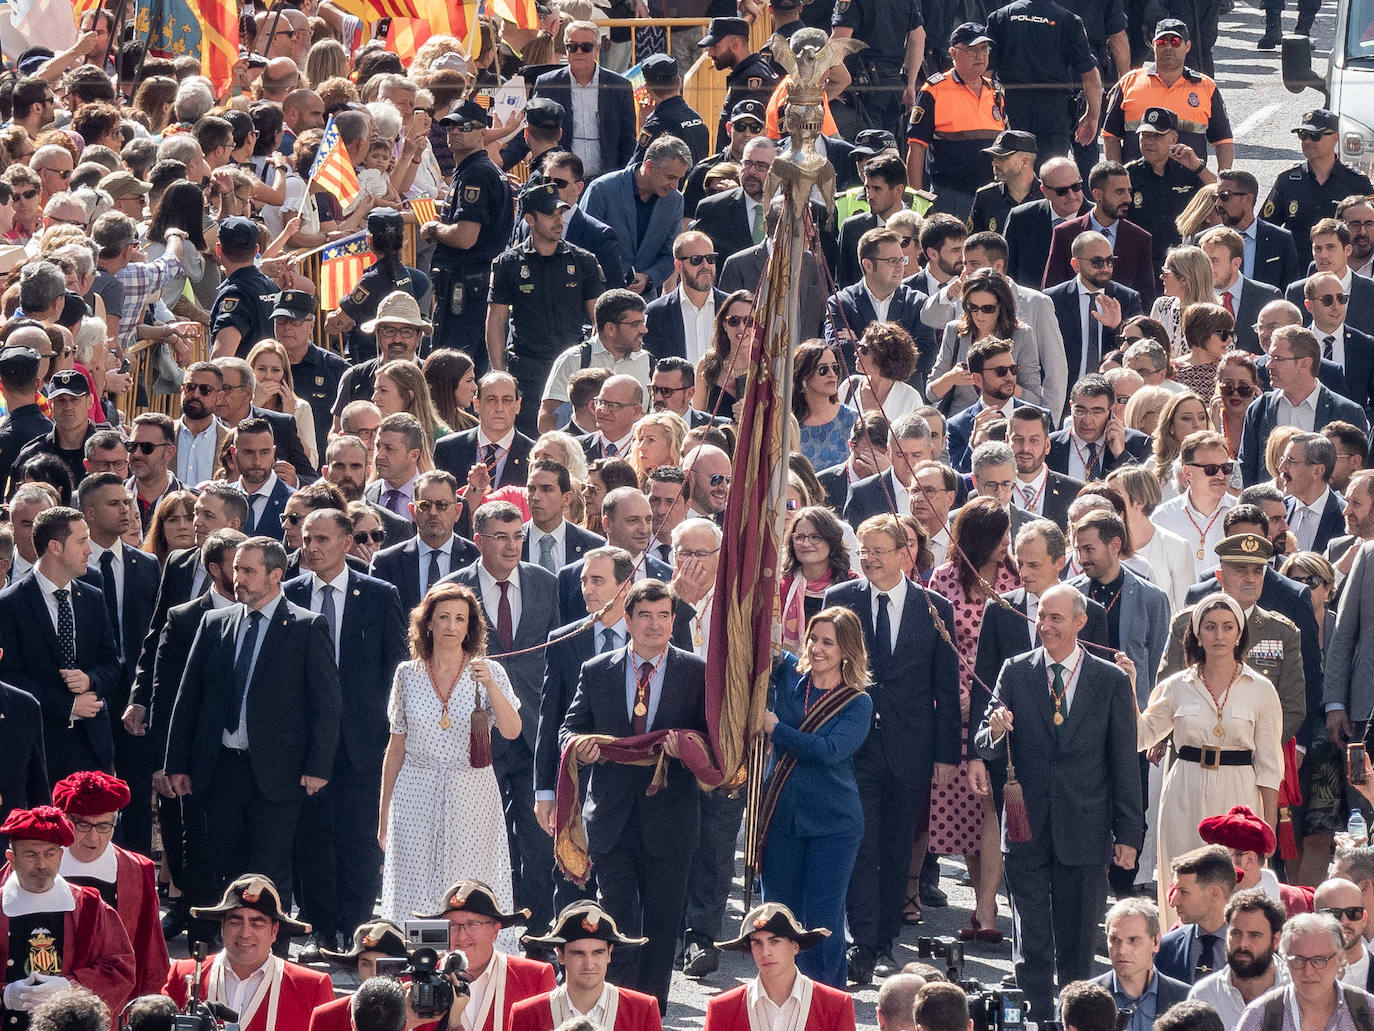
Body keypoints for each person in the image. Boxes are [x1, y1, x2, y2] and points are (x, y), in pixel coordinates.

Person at [973, 583, 1144, 1020]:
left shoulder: (1109, 680)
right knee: (1031, 938)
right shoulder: (1015, 671)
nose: (1045, 626)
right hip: (1025, 826)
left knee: (1077, 941)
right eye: (1042, 617)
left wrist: (1128, 835)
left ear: (1080, 623)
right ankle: (1035, 1018)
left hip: (1085, 830)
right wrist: (995, 728)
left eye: (1056, 618)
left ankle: (1075, 1019)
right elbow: (984, 741)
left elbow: (1124, 762)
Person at [164, 536, 341, 908]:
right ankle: (222, 951)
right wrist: (177, 763)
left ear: (275, 575)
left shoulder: (308, 627)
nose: (237, 578)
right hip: (220, 768)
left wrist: (318, 766)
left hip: (278, 774)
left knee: (270, 872)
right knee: (220, 867)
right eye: (236, 569)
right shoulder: (214, 623)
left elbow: (325, 705)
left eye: (248, 570)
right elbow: (188, 697)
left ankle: (274, 951)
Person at [560, 579, 708, 1011]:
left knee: (663, 921)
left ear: (674, 621)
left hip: (672, 816)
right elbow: (568, 728)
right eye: (644, 615)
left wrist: (686, 746)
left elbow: (711, 738)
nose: (654, 624)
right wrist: (579, 747)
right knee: (615, 920)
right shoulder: (597, 669)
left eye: (664, 615)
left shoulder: (695, 671)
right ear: (626, 620)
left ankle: (652, 1011)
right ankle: (615, 1010)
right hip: (611, 815)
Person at [824, 514, 959, 984]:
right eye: (864, 551)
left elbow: (946, 685)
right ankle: (862, 943)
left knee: (897, 848)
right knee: (861, 844)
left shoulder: (933, 605)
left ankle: (884, 941)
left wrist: (946, 756)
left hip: (911, 748)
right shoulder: (841, 599)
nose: (870, 560)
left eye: (879, 550)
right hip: (853, 748)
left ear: (905, 553)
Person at [284, 508, 408, 961]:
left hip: (362, 741)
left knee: (358, 840)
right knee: (313, 840)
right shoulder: (288, 592)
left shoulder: (378, 594)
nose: (310, 547)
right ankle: (320, 931)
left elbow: (396, 667)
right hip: (306, 741)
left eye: (321, 539)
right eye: (306, 538)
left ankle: (357, 932)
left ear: (346, 541)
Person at [377, 581, 522, 926]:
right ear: (427, 624)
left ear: (470, 626)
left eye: (460, 618)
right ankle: (414, 957)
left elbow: (513, 730)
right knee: (414, 878)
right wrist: (384, 817)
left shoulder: (489, 670)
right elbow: (395, 748)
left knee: (469, 879)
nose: (451, 626)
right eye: (443, 617)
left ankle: (471, 954)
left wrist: (489, 684)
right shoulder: (406, 675)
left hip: (471, 789)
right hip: (416, 789)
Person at [1140, 588, 1283, 924]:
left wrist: (1269, 826)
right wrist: (1129, 684)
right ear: (1197, 634)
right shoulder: (1176, 686)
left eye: (1227, 626)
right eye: (1210, 626)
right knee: (1183, 877)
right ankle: (1179, 954)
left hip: (1239, 790)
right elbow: (1141, 736)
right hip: (1184, 786)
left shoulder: (1261, 690)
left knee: (1235, 883)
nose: (1219, 634)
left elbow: (1269, 766)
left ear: (1239, 634)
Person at [760, 607, 873, 988]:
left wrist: (776, 729)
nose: (818, 648)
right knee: (778, 916)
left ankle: (827, 1001)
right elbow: (759, 644)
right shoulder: (789, 676)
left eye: (829, 642)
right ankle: (779, 997)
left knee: (822, 916)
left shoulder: (857, 702)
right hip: (782, 816)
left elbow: (827, 751)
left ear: (847, 650)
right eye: (813, 638)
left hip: (834, 824)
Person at [927, 498, 1018, 942]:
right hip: (951, 705)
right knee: (965, 805)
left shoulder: (1013, 579)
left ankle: (987, 906)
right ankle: (984, 895)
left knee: (990, 802)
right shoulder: (943, 580)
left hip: (996, 705)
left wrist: (980, 701)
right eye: (1000, 535)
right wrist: (956, 698)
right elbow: (935, 647)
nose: (1006, 544)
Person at [0, 506, 120, 786]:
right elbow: (8, 677)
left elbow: (112, 664)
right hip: (39, 747)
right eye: (81, 541)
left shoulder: (92, 597)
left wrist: (91, 679)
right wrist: (68, 705)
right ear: (55, 546)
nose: (89, 550)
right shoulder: (10, 604)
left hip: (92, 746)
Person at [487, 181, 604, 438]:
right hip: (527, 369)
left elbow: (599, 318)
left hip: (573, 371)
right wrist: (499, 373)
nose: (558, 220)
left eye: (560, 213)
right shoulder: (508, 264)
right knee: (529, 440)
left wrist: (593, 362)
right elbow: (496, 322)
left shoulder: (583, 260)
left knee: (575, 441)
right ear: (530, 219)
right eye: (550, 214)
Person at [0, 806, 134, 1026]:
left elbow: (121, 970)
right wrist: (5, 995)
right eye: (31, 854)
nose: (41, 864)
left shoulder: (90, 906)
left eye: (50, 853)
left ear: (61, 855)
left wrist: (71, 987)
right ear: (11, 858)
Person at [47, 772, 168, 998]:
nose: (93, 838)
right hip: (43, 995)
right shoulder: (35, 863)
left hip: (113, 1000)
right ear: (64, 819)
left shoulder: (137, 870)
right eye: (82, 825)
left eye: (104, 826)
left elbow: (152, 954)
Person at [162, 874, 333, 1030]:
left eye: (257, 924)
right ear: (222, 926)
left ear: (274, 931)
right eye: (236, 922)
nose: (245, 933)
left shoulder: (311, 987)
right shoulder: (183, 975)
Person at [424, 100, 514, 374]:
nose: (455, 132)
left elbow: (465, 237)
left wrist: (433, 229)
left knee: (451, 370)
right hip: (474, 287)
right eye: (450, 127)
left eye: (464, 127)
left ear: (483, 132)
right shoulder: (476, 170)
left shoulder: (475, 173)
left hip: (466, 289)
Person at [412, 881, 556, 1030]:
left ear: (495, 931)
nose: (461, 936)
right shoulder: (419, 978)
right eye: (453, 925)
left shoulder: (534, 978)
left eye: (472, 924)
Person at [905, 23, 1007, 219]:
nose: (980, 55)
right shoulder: (934, 90)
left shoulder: (995, 91)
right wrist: (917, 200)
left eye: (984, 49)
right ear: (953, 53)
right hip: (951, 194)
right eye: (972, 50)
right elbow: (916, 148)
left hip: (991, 193)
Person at [700, 904, 857, 1031]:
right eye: (757, 943)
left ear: (795, 947)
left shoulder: (836, 1006)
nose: (765, 952)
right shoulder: (723, 1009)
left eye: (775, 941)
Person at [510, 902, 661, 1031]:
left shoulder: (643, 1010)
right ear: (560, 955)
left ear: (609, 953)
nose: (589, 963)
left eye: (598, 953)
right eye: (578, 953)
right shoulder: (526, 1014)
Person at [582, 138, 691, 300]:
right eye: (670, 177)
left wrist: (648, 278)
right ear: (649, 166)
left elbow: (669, 254)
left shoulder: (674, 201)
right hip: (599, 298)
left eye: (679, 179)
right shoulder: (602, 190)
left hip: (644, 303)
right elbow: (582, 245)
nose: (675, 185)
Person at [1234, 912, 1373, 1031]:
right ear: (1286, 960)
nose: (1308, 971)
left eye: (1319, 960)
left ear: (1339, 959)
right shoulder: (1260, 1017)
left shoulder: (1368, 1012)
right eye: (1299, 959)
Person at [1263, 111, 1374, 251]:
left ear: (1335, 138)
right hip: (1298, 269)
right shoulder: (1287, 181)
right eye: (1303, 135)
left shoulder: (1357, 182)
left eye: (1315, 136)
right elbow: (1266, 228)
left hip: (1341, 268)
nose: (1307, 141)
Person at [1188, 888, 1290, 1027]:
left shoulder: (1295, 991)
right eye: (1235, 933)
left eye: (1254, 935)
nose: (1243, 944)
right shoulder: (1205, 996)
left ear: (1276, 940)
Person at [1091, 898, 1191, 1031]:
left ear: (1156, 942)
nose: (1122, 950)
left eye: (1133, 940)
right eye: (1114, 939)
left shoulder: (1186, 999)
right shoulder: (1084, 1001)